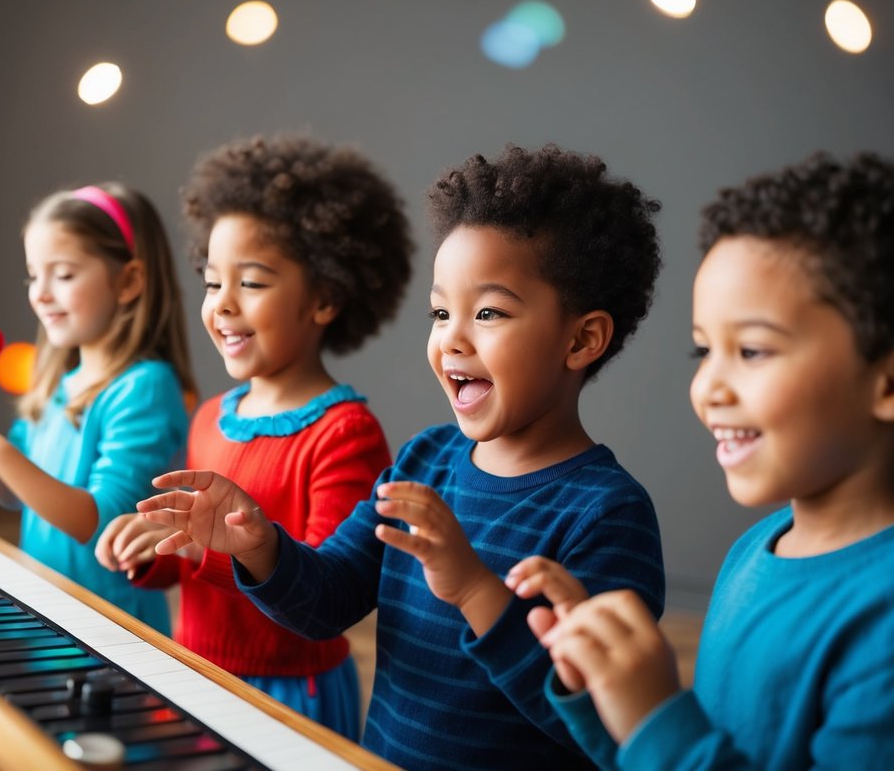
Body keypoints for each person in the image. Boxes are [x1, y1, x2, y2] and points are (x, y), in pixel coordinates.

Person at [136, 144, 667, 769]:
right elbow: (328, 602)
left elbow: (602, 726)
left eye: (488, 312)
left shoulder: (609, 514)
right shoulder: (424, 463)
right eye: (441, 312)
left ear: (582, 339)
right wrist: (259, 546)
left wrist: (475, 590)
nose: (452, 339)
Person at [515, 151, 894, 770]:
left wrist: (655, 716)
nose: (708, 388)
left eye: (752, 351)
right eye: (703, 351)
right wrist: (605, 692)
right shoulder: (754, 550)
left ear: (886, 382)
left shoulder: (882, 626)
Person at [94, 134, 414, 740]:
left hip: (290, 695)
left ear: (324, 298)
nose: (223, 305)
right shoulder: (209, 417)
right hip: (196, 675)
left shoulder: (345, 433)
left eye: (253, 283)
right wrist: (152, 551)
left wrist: (203, 549)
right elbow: (192, 571)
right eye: (213, 283)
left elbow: (327, 592)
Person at [0, 183, 195, 634]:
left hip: (111, 629)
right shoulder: (58, 384)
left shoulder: (145, 387)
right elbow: (12, 492)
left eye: (63, 275)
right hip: (48, 612)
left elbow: (101, 521)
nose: (40, 294)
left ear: (128, 281)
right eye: (33, 276)